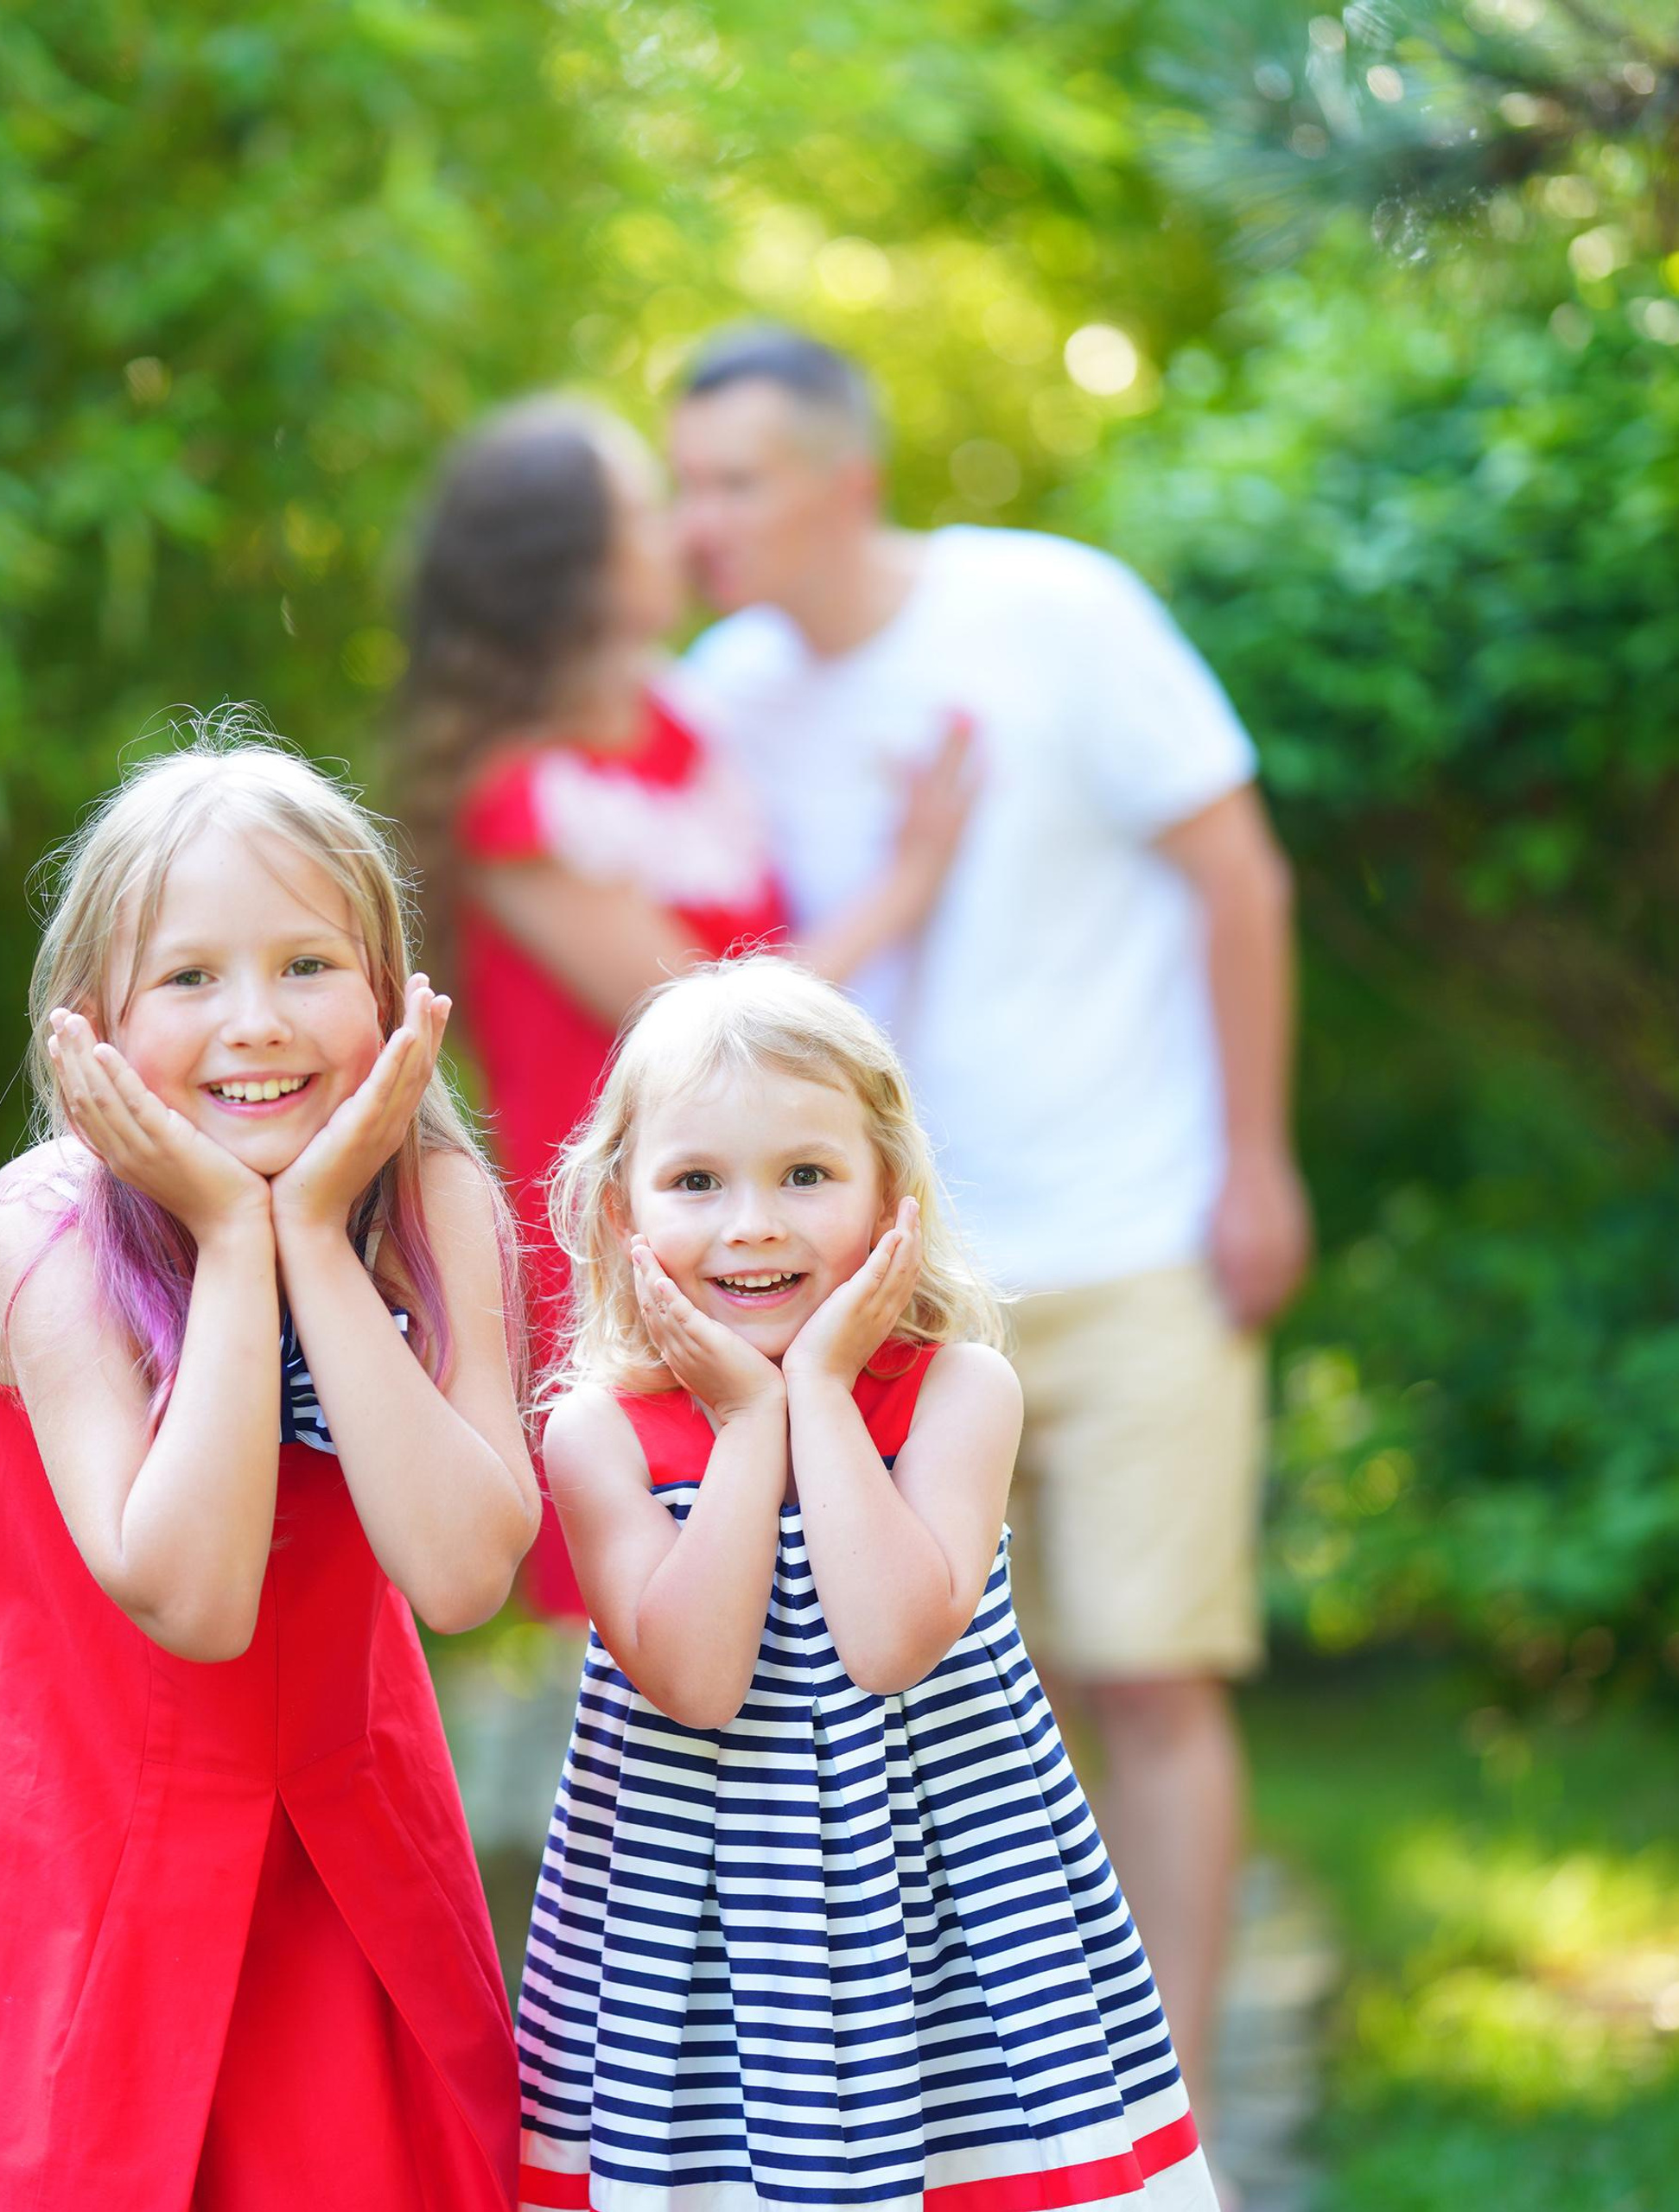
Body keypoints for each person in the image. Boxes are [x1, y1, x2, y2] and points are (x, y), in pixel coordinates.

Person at [669, 326, 1311, 2125]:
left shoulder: (1056, 613)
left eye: (732, 481)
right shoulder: (717, 699)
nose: (696, 519)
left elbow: (1234, 875)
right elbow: (716, 1008)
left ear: (840, 477)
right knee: (904, 1710)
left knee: (1147, 1672)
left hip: (1130, 1237)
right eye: (684, 482)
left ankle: (1162, 2122)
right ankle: (976, 2104)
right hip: (878, 1297)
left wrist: (1250, 1159)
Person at [0, 729, 539, 2209]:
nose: (256, 1023)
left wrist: (315, 1238)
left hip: (342, 1826)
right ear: (92, 1030)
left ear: (394, 997)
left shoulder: (431, 1200)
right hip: (71, 1828)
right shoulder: (51, 1231)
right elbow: (192, 1594)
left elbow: (463, 1575)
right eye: (190, 979)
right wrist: (225, 1237)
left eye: (308, 967)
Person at [516, 957, 1220, 2212]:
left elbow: (891, 1639)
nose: (754, 1224)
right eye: (695, 1183)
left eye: (805, 1175)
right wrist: (745, 1430)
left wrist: (822, 1396)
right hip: (714, 1952)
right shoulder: (600, 1434)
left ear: (890, 1195)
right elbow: (695, 1678)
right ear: (621, 1215)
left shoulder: (957, 1393)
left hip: (950, 1923)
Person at [397, 395, 978, 1614]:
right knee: (671, 1585)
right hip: (652, 1229)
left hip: (764, 1212)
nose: (684, 529)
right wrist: (911, 881)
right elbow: (717, 1023)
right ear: (571, 572)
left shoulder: (685, 720)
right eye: (648, 509)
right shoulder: (523, 802)